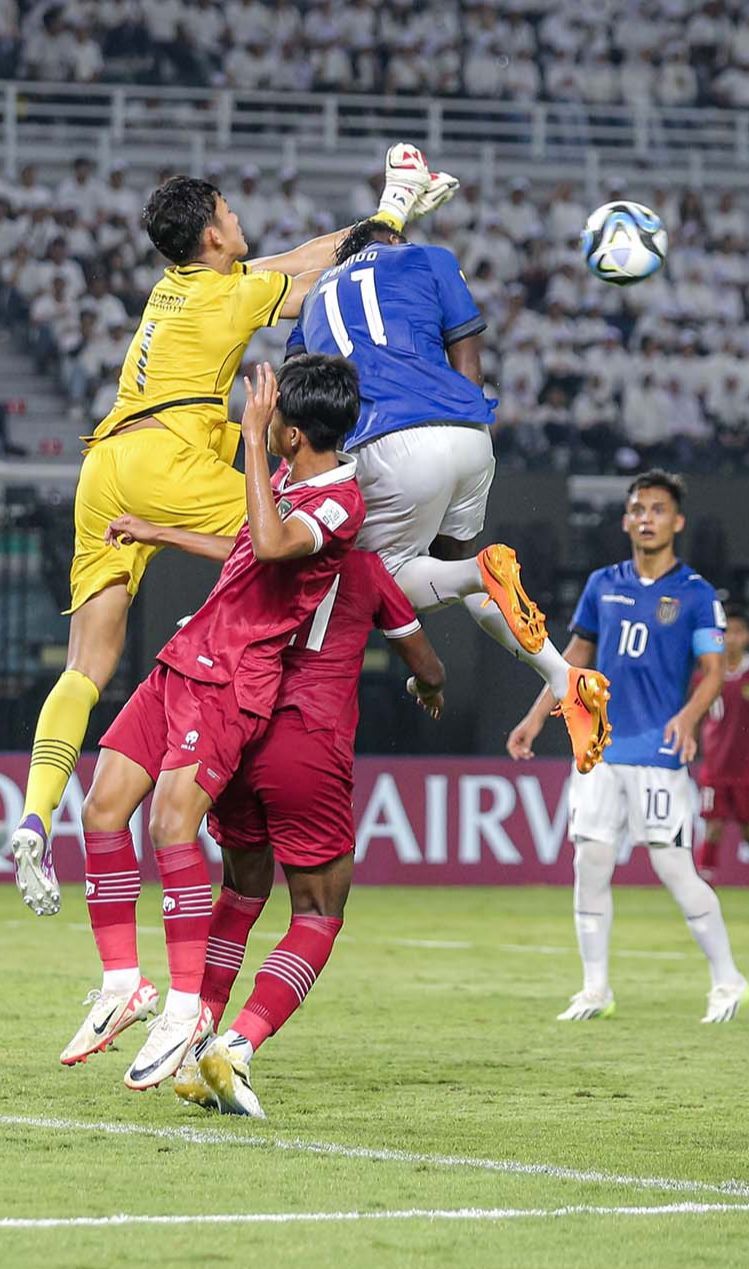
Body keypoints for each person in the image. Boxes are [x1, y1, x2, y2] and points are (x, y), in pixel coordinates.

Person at [11, 146, 448, 916]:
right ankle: (409, 603)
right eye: (229, 213)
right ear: (212, 236)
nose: (240, 220)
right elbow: (321, 270)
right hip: (168, 458)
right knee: (299, 534)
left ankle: (34, 816)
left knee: (87, 663)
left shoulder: (178, 288)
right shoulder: (228, 299)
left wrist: (392, 210)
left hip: (105, 460)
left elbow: (299, 255)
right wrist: (392, 208)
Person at [60, 355, 367, 1091]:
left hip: (234, 680)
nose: (253, 415)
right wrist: (158, 531)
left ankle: (185, 1006)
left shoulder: (340, 503)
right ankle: (123, 981)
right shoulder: (290, 481)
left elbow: (266, 543)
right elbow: (243, 548)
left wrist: (254, 445)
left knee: (170, 824)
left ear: (291, 431)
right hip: (185, 655)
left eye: (268, 411)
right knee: (101, 805)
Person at [285, 218, 611, 774]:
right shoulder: (430, 258)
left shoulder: (315, 297)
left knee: (373, 581)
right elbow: (467, 351)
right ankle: (562, 677)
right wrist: (464, 421)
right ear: (390, 241)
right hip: (466, 434)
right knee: (453, 572)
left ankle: (292, 715)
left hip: (386, 439)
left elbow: (304, 391)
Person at [507, 470, 747, 1024]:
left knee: (674, 869)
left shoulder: (696, 595)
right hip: (598, 751)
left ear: (677, 521)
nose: (646, 518)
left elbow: (713, 671)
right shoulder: (601, 584)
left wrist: (688, 719)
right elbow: (571, 661)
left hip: (658, 754)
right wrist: (534, 717)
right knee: (589, 863)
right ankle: (595, 990)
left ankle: (728, 979)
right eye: (638, 509)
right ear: (624, 520)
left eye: (658, 510)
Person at [696, 605, 749, 885]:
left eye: (738, 632)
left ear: (746, 637)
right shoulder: (707, 673)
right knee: (712, 826)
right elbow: (695, 713)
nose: (731, 638)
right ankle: (705, 883)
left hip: (746, 769)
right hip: (715, 768)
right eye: (726, 632)